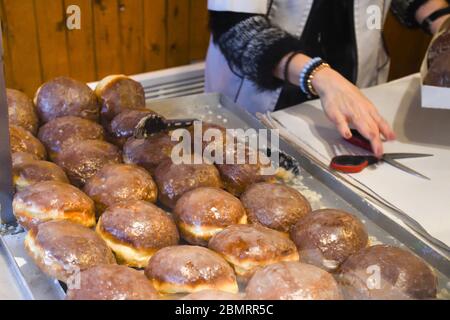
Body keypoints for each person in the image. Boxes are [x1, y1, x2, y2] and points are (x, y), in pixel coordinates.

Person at [206, 0, 450, 157]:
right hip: (264, 101)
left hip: (353, 96)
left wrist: (443, 24)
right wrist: (319, 76)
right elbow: (236, 26)